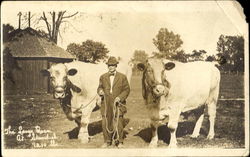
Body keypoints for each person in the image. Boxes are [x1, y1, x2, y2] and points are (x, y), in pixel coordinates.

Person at [97, 56, 130, 148]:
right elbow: (99, 87)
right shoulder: (103, 77)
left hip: (118, 103)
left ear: (116, 66)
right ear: (107, 66)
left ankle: (120, 142)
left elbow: (127, 90)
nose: (111, 67)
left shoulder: (122, 77)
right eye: (109, 65)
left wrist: (120, 97)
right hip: (106, 103)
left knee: (119, 121)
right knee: (105, 122)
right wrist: (100, 91)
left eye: (113, 65)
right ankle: (107, 141)